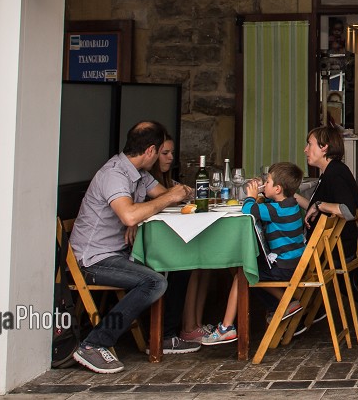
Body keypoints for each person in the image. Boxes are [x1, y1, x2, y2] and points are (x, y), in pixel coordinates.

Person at [67, 122, 203, 374]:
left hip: (120, 252)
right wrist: (143, 212)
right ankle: (94, 344)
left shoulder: (139, 174)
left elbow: (168, 195)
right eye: (162, 150)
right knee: (154, 282)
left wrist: (173, 195)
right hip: (94, 259)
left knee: (180, 262)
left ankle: (164, 335)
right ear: (151, 150)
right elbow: (130, 215)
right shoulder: (115, 174)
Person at [202, 163, 306, 345]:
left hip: (283, 267)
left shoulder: (275, 210)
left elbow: (248, 210)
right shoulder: (289, 205)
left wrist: (251, 196)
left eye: (268, 182)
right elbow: (267, 206)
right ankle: (284, 302)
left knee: (244, 271)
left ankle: (226, 328)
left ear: (278, 189)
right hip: (293, 264)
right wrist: (263, 195)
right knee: (251, 270)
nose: (264, 184)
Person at [300, 125, 358, 261]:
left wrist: (319, 205)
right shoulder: (332, 171)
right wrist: (290, 193)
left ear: (324, 147)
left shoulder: (335, 174)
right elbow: (313, 206)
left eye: (310, 144)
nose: (305, 150)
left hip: (330, 253)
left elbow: (348, 211)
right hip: (333, 248)